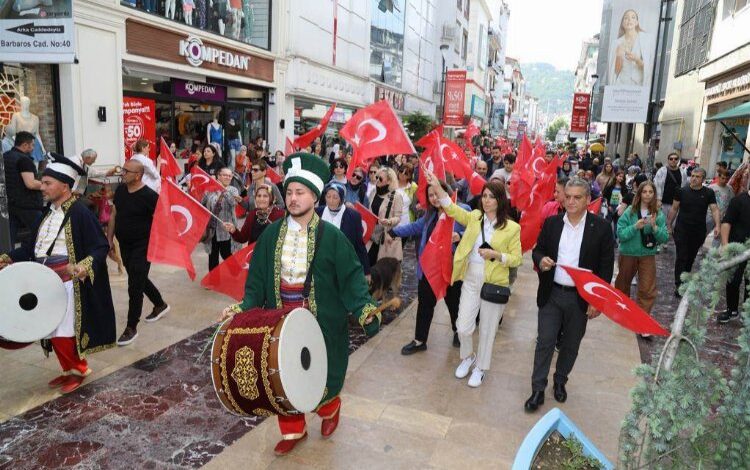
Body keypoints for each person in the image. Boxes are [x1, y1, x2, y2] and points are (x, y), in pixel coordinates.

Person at [218, 152, 380, 456]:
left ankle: (330, 409)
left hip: (322, 321)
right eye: (290, 192)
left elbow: (352, 278)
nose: (293, 198)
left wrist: (364, 308)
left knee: (321, 373)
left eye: (300, 192)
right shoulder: (269, 236)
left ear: (314, 195)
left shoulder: (332, 237)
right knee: (283, 374)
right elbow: (256, 282)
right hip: (280, 319)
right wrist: (244, 308)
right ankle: (293, 431)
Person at [0, 155, 116, 393]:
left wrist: (83, 266)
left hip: (67, 282)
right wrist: (7, 258)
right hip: (44, 280)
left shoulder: (81, 212)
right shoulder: (47, 213)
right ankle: (67, 370)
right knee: (50, 329)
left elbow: (101, 246)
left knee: (63, 330)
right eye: (43, 183)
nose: (42, 187)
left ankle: (79, 369)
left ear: (65, 186)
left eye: (47, 183)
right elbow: (32, 248)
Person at [525, 177, 615, 412]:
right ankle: (537, 389)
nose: (571, 201)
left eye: (577, 197)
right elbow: (538, 250)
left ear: (587, 200)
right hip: (551, 294)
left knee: (571, 345)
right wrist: (541, 260)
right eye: (568, 196)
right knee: (544, 341)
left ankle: (560, 381)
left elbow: (606, 268)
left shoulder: (602, 228)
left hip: (580, 299)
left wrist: (598, 301)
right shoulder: (553, 223)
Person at [425, 174, 521, 387]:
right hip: (470, 278)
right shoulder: (475, 216)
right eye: (484, 196)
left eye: (491, 197)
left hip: (494, 282)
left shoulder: (512, 228)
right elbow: (451, 207)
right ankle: (468, 357)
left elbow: (517, 258)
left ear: (500, 200)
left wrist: (496, 255)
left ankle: (481, 368)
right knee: (463, 325)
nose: (486, 200)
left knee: (487, 330)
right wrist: (436, 185)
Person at [393, 180, 468, 353]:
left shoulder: (461, 209)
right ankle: (420, 340)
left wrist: (461, 235)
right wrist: (393, 230)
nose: (434, 198)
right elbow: (415, 227)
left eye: (437, 193)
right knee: (425, 304)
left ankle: (458, 331)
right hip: (429, 268)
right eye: (431, 195)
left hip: (451, 268)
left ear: (446, 192)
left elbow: (474, 229)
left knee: (454, 302)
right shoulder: (429, 214)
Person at [108, 159, 170, 346]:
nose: (122, 173)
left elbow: (163, 220)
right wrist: (109, 239)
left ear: (137, 175)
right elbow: (114, 214)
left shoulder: (150, 196)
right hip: (124, 244)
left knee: (134, 285)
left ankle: (131, 327)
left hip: (143, 246)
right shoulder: (120, 190)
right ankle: (160, 304)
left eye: (126, 171)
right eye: (122, 169)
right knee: (138, 276)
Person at [614, 181, 668, 339]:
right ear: (639, 194)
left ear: (654, 194)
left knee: (647, 288)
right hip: (628, 253)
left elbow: (664, 237)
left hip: (647, 255)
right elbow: (621, 235)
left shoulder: (657, 213)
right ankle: (622, 314)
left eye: (651, 192)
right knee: (622, 285)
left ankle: (642, 323)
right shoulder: (630, 211)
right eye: (644, 192)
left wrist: (655, 227)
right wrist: (635, 227)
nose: (647, 195)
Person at [667, 167, 721, 297]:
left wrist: (718, 225)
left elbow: (714, 209)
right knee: (681, 256)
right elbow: (674, 208)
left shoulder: (708, 193)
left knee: (690, 258)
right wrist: (669, 224)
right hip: (681, 230)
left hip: (698, 231)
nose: (694, 178)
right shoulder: (681, 191)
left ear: (703, 179)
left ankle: (685, 280)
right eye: (692, 175)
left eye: (697, 176)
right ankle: (679, 284)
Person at [315, 182, 370, 276]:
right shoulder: (318, 212)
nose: (331, 200)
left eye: (335, 197)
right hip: (321, 264)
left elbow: (359, 245)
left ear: (342, 198)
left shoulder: (353, 216)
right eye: (328, 196)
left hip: (343, 265)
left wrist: (366, 271)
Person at [3, 131, 43, 246]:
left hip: (10, 203)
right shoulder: (24, 160)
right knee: (42, 231)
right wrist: (45, 185)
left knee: (9, 239)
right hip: (27, 204)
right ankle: (39, 258)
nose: (33, 148)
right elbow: (30, 183)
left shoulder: (5, 157)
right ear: (25, 145)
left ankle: (6, 260)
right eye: (32, 145)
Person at [718, 187, 750, 323]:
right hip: (736, 247)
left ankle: (747, 313)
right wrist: (725, 245)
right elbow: (726, 223)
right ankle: (732, 310)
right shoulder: (738, 201)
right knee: (733, 279)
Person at [202, 167, 242, 271]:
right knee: (212, 255)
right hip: (212, 228)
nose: (227, 177)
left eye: (229, 175)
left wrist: (223, 189)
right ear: (218, 176)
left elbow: (233, 203)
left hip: (226, 229)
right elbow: (202, 203)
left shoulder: (233, 190)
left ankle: (237, 273)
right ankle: (213, 280)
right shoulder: (210, 189)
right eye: (225, 175)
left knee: (226, 254)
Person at [367, 167, 403, 266]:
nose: (377, 180)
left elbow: (398, 217)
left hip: (385, 237)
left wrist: (390, 221)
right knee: (368, 265)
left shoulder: (396, 196)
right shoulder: (374, 191)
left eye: (380, 179)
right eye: (377, 177)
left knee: (382, 269)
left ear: (389, 181)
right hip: (371, 235)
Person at [609, 9, 651, 86]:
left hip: (639, 88)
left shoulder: (645, 40)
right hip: (621, 86)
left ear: (637, 22)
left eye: (633, 17)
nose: (629, 20)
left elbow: (649, 68)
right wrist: (619, 56)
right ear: (622, 23)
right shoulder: (616, 43)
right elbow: (615, 72)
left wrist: (637, 59)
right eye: (626, 18)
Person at [655, 152, 688, 224]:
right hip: (663, 203)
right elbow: (657, 185)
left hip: (676, 204)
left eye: (675, 159)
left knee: (672, 225)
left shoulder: (682, 172)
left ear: (678, 160)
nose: (673, 160)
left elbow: (684, 186)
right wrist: (658, 199)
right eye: (671, 159)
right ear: (668, 160)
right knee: (661, 223)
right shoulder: (662, 171)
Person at [707, 168, 734, 247]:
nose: (724, 180)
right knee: (704, 232)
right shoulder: (711, 188)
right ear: (718, 177)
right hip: (710, 215)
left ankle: (712, 255)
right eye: (723, 178)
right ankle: (699, 248)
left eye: (726, 179)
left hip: (722, 216)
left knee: (718, 236)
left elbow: (732, 201)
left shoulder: (729, 189)